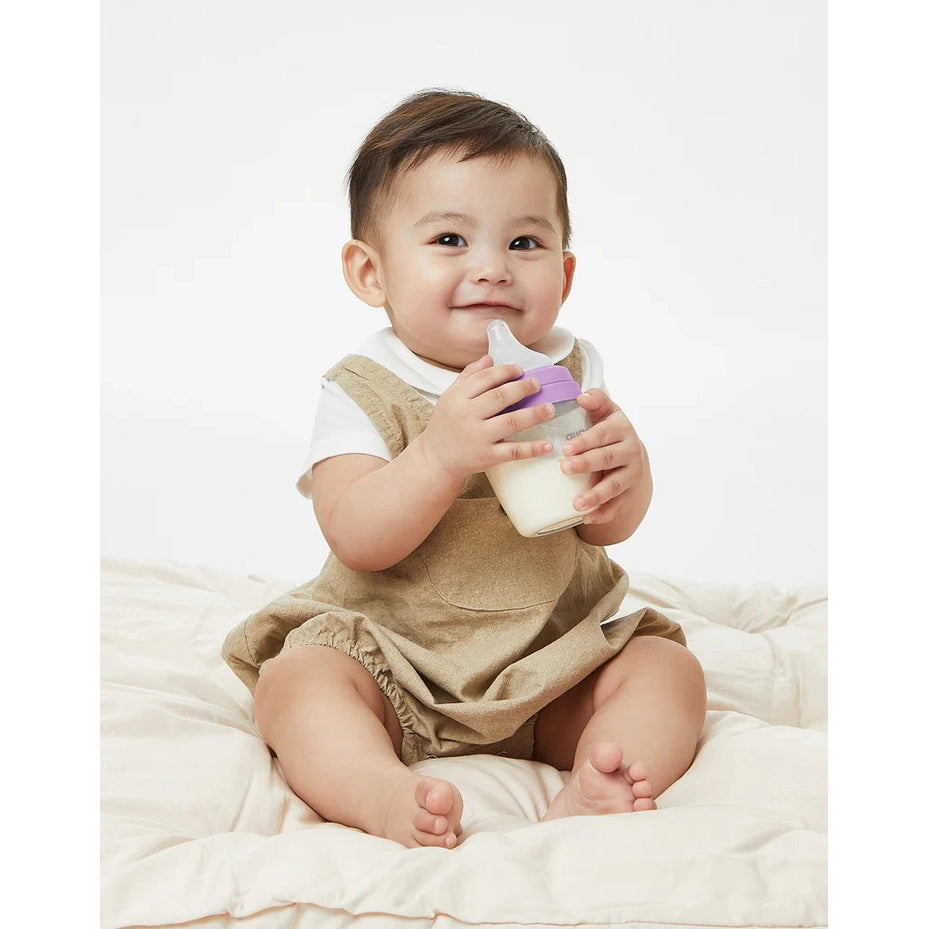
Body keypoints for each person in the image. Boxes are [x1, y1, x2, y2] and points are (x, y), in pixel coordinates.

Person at [222, 88, 706, 850]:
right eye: (449, 239)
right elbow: (356, 534)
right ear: (370, 273)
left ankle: (602, 778)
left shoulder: (565, 371)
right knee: (297, 683)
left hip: (551, 660)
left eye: (523, 244)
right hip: (391, 661)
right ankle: (382, 789)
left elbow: (602, 523)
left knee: (664, 669)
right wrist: (440, 454)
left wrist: (624, 471)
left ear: (565, 274)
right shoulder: (362, 388)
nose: (492, 270)